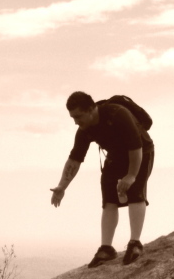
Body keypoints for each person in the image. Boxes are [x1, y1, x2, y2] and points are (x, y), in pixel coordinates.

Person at [51, 91, 154, 268]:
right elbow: (75, 159)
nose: (76, 121)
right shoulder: (84, 130)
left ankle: (135, 243)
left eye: (78, 116)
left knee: (135, 193)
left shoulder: (117, 114)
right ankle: (106, 249)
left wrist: (131, 176)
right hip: (115, 156)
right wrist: (62, 186)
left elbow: (136, 146)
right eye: (73, 117)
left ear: (91, 109)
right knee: (109, 200)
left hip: (141, 152)